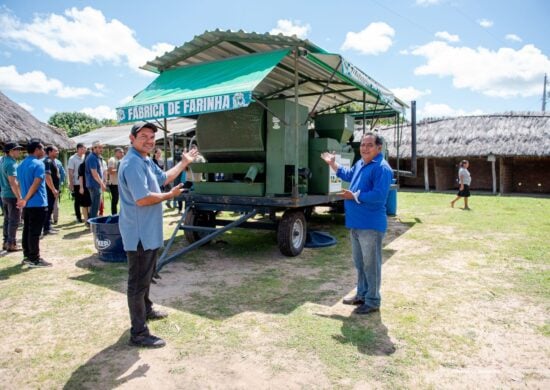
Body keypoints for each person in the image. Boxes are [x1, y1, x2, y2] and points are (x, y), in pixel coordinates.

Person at [118, 122, 198, 348]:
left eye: (152, 137)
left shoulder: (144, 160)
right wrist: (169, 196)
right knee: (137, 282)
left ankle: (147, 308)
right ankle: (139, 333)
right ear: (132, 138)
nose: (149, 140)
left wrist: (183, 163)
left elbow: (163, 177)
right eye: (144, 136)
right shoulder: (132, 163)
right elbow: (142, 199)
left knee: (147, 275)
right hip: (139, 234)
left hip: (149, 231)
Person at [321, 133, 393, 314]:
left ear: (379, 148)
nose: (364, 148)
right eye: (362, 144)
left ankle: (373, 300)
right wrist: (332, 163)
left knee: (371, 265)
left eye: (369, 145)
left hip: (371, 225)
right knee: (360, 263)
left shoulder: (382, 168)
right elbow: (347, 174)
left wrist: (354, 196)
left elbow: (379, 196)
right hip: (356, 223)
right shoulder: (361, 163)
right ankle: (361, 294)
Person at [17, 139, 51, 267]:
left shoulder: (21, 164)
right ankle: (34, 258)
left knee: (27, 230)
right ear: (36, 149)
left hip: (27, 204)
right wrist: (25, 198)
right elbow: (36, 183)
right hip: (37, 203)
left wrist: (22, 198)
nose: (43, 151)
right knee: (35, 232)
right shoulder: (39, 164)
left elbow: (18, 183)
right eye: (42, 149)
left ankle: (27, 255)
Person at [0, 142, 24, 251]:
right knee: (14, 221)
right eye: (16, 149)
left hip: (4, 194)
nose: (19, 151)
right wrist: (19, 197)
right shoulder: (11, 164)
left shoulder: (3, 161)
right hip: (11, 195)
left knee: (7, 220)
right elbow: (13, 182)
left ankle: (6, 242)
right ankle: (12, 243)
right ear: (10, 151)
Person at [85, 140, 106, 220]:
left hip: (95, 184)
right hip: (94, 185)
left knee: (96, 205)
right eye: (99, 147)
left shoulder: (96, 157)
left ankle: (91, 221)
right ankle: (92, 223)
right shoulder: (92, 157)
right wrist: (102, 184)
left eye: (102, 147)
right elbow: (94, 173)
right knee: (95, 205)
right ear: (94, 148)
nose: (101, 149)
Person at [42, 145, 60, 236]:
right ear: (50, 152)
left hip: (53, 189)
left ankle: (48, 226)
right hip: (49, 190)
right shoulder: (47, 161)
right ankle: (46, 228)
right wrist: (53, 189)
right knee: (48, 209)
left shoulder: (52, 161)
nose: (58, 152)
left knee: (51, 208)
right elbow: (47, 177)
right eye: (55, 151)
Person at [68, 143, 86, 222]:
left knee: (85, 200)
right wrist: (71, 183)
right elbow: (70, 172)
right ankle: (78, 217)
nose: (84, 150)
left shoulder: (85, 157)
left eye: (84, 148)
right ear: (78, 149)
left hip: (85, 182)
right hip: (76, 182)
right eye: (82, 149)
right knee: (77, 201)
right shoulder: (72, 159)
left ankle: (85, 215)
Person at [107, 147, 124, 215]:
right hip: (114, 183)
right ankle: (114, 214)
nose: (122, 154)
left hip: (120, 183)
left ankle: (121, 214)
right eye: (120, 152)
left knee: (122, 200)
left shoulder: (122, 160)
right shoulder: (112, 160)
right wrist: (119, 169)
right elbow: (110, 171)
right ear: (116, 152)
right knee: (115, 200)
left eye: (123, 152)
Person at [78, 150, 92, 225]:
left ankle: (90, 220)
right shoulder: (82, 165)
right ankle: (86, 220)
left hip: (91, 187)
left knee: (90, 204)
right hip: (84, 187)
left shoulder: (92, 164)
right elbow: (80, 177)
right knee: (84, 205)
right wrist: (81, 187)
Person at [52, 157, 66, 224]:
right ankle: (55, 219)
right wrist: (61, 183)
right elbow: (63, 174)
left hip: (46, 186)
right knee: (55, 202)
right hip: (57, 185)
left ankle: (48, 219)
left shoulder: (42, 161)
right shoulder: (58, 162)